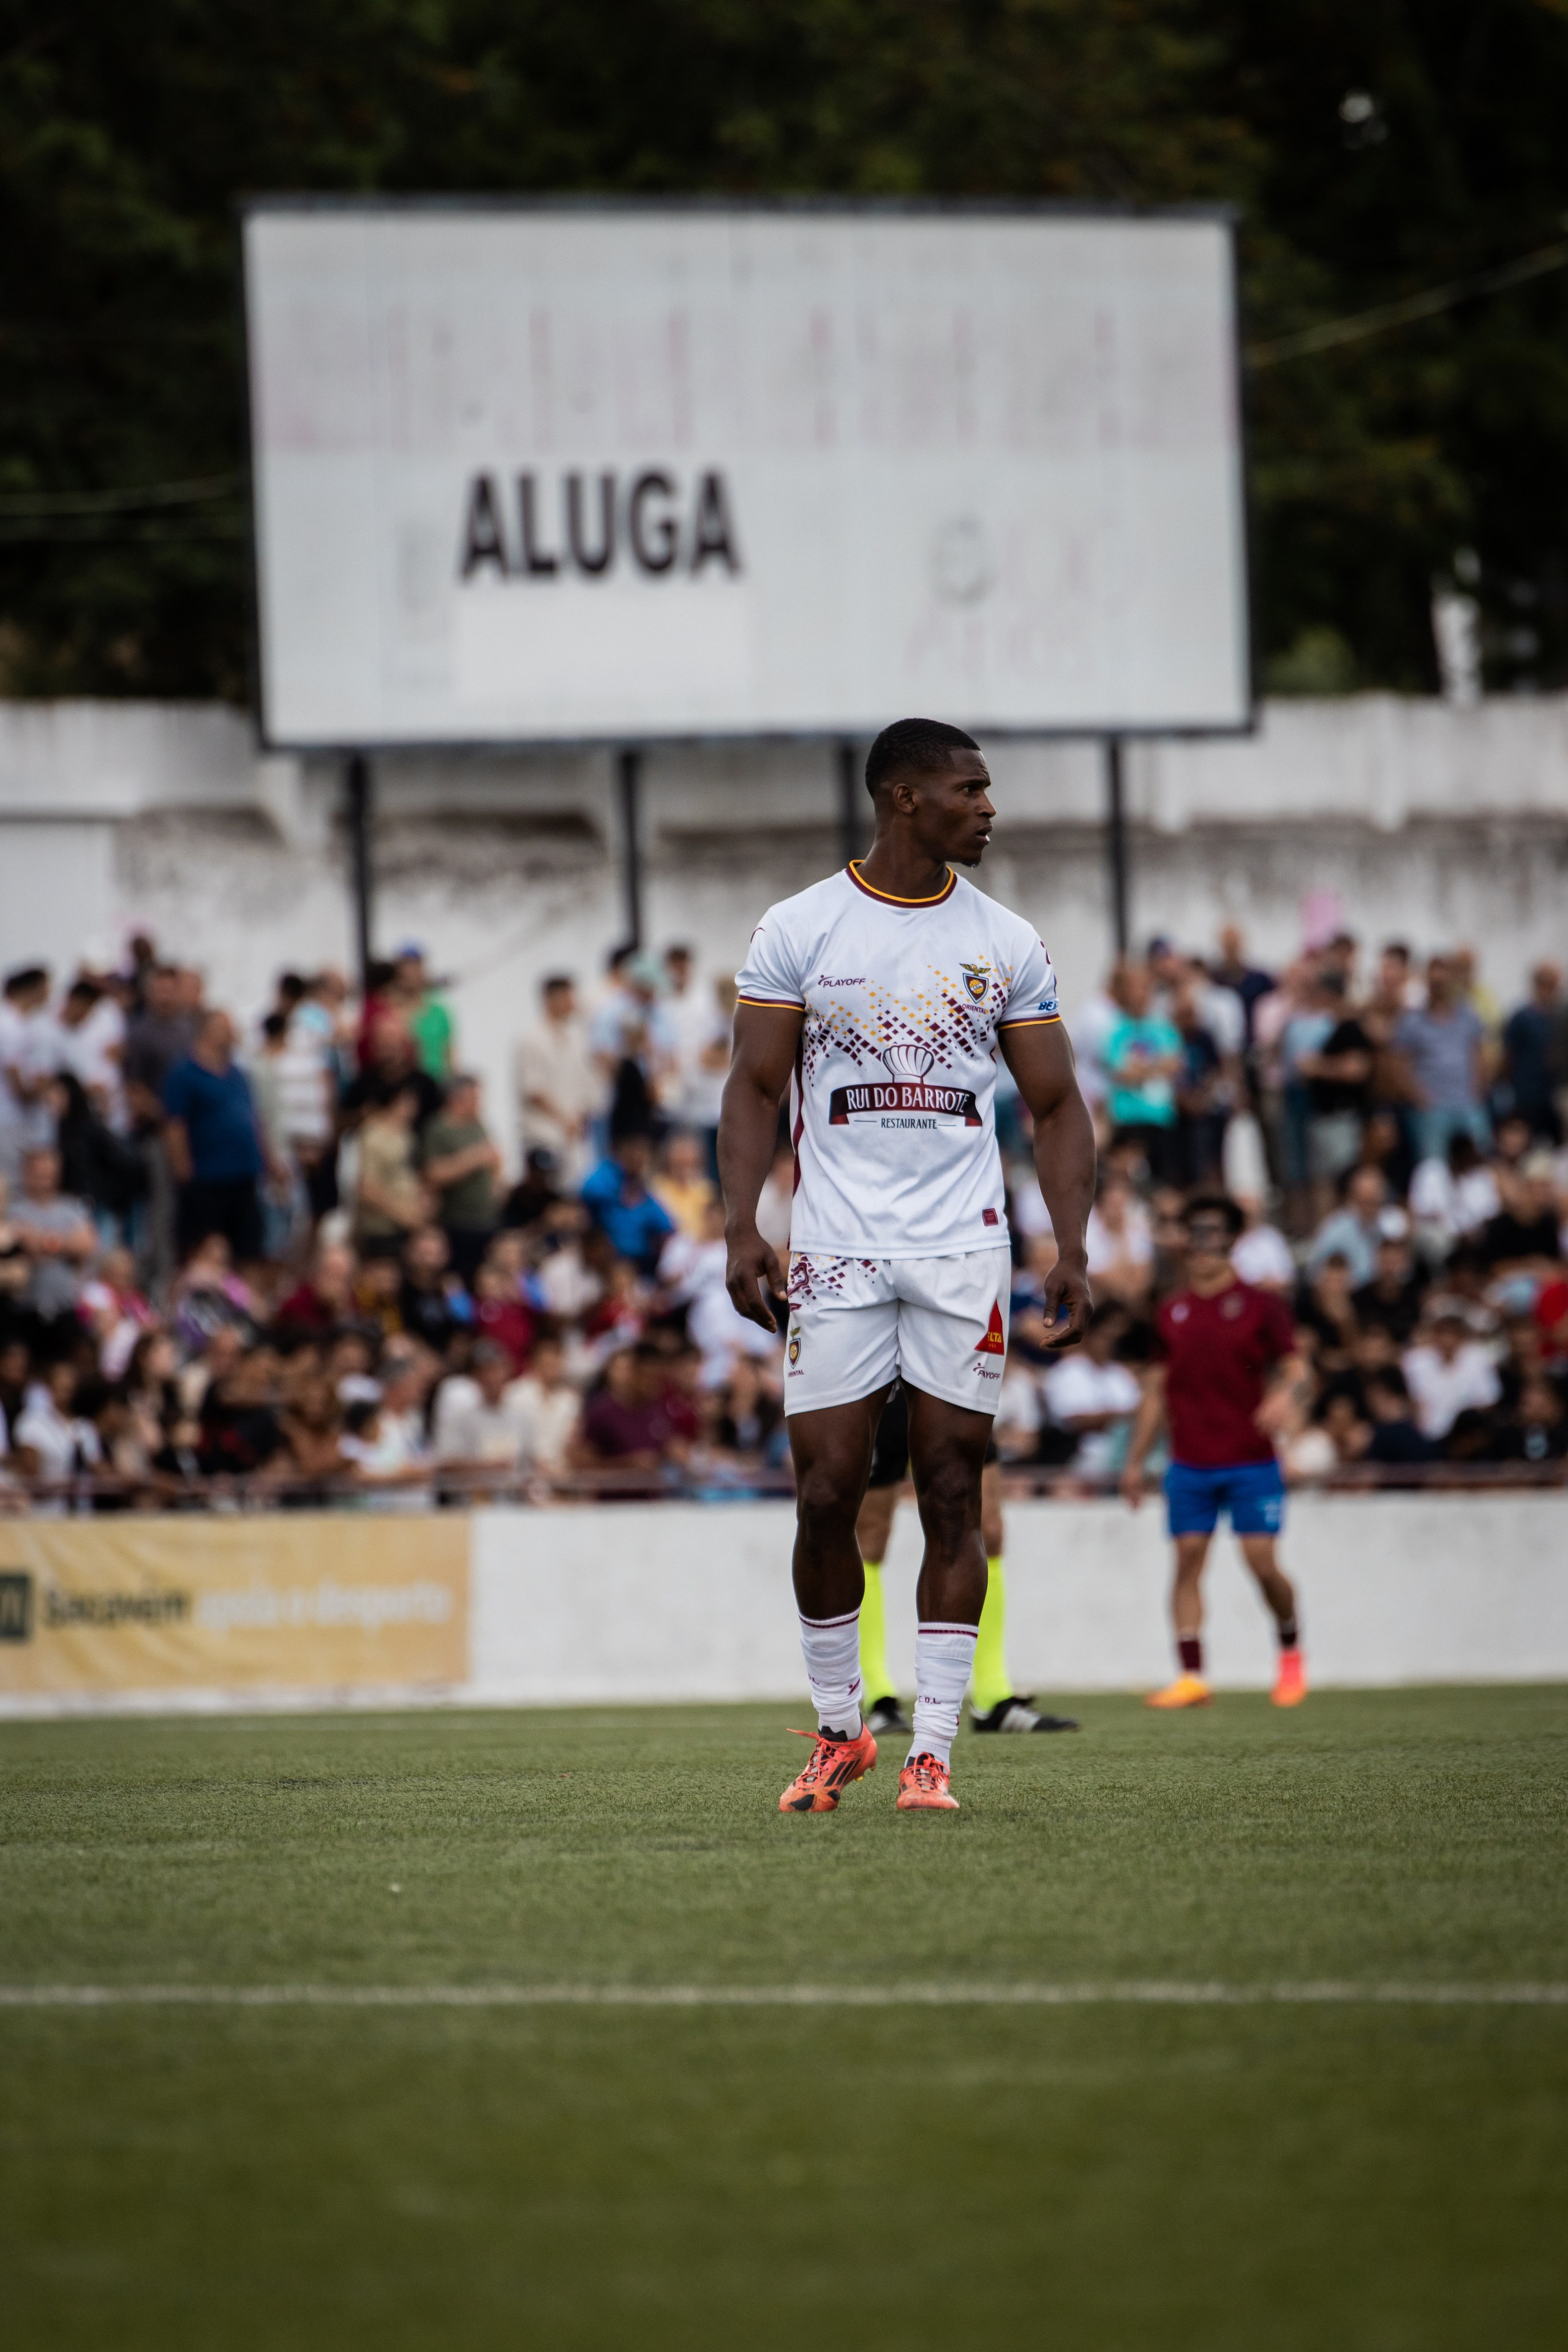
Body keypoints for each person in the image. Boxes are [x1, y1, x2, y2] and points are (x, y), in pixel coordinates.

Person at [721, 717, 1094, 1815]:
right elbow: (751, 1090)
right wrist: (743, 1227)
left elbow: (1060, 1104)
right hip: (833, 1251)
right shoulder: (800, 927)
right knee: (826, 1493)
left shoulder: (1007, 939)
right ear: (904, 798)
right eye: (969, 789)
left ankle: (931, 1752)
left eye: (987, 789)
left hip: (963, 1250)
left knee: (950, 1492)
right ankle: (842, 1734)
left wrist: (1073, 1247)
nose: (988, 807)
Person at [1121, 1195, 1308, 1709]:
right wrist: (1135, 1462)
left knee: (1262, 1564)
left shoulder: (1261, 1305)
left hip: (1251, 1458)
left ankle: (1291, 1648)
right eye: (1194, 1232)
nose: (1203, 1244)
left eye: (1213, 1233)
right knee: (1186, 1562)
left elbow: (1298, 1371)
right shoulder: (1171, 1310)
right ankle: (1192, 1677)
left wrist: (1282, 1397)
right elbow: (1156, 1392)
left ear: (1231, 1241)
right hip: (1189, 1461)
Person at [853, 1381, 1079, 1741]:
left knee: (988, 1530)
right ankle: (878, 1698)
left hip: (950, 1377)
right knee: (870, 1541)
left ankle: (992, 1698)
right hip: (889, 1384)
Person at [162, 1011, 275, 1265]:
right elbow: (175, 1125)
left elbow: (254, 1119)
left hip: (243, 1176)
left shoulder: (238, 1075)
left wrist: (267, 1159)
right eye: (225, 1027)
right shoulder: (184, 1075)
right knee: (203, 1248)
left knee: (249, 1252)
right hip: (208, 1178)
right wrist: (183, 1171)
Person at [1396, 957, 1490, 1165]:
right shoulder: (1412, 1020)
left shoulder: (1469, 1016)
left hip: (1468, 1103)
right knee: (1434, 1168)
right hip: (1432, 1108)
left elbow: (1478, 1055)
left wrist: (1478, 1092)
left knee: (1479, 1164)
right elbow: (1401, 1065)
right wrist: (1420, 1099)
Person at [515, 974, 602, 1189]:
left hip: (574, 1135)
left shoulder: (576, 1039)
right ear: (551, 1000)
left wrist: (580, 1117)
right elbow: (533, 1090)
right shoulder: (532, 1039)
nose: (573, 1004)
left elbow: (587, 1085)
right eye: (568, 997)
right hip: (543, 1135)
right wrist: (564, 1120)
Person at [1101, 965, 1182, 1185]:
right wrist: (1156, 1067)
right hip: (1127, 1117)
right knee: (1124, 1180)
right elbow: (1122, 1073)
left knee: (1161, 1182)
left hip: (1160, 1117)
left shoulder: (1165, 1027)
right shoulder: (1116, 1029)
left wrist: (1140, 1069)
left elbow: (1174, 1066)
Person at [420, 1072, 502, 1286]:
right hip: (457, 1222)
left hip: (485, 1220)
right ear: (458, 1098)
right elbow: (433, 1173)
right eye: (474, 1098)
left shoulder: (477, 1126)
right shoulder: (438, 1128)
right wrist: (473, 1158)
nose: (479, 1104)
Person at [10, 1145, 97, 1326]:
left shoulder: (72, 1208)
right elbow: (24, 1244)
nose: (45, 1179)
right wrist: (66, 1247)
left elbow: (86, 1244)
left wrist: (45, 1244)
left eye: (49, 1173)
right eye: (39, 1173)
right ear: (26, 1173)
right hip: (25, 1308)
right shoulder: (13, 1210)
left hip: (65, 1306)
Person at [581, 1132, 676, 1275]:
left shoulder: (644, 1191)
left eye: (643, 1154)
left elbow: (667, 1226)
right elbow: (588, 1192)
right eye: (635, 1152)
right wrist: (617, 1196)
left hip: (641, 1261)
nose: (639, 1159)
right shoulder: (606, 1175)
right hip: (608, 1256)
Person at [1499, 964, 1562, 1142]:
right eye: (1545, 983)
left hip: (1554, 1094)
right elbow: (1508, 1057)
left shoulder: (1560, 1018)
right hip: (1528, 1094)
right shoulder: (1521, 1017)